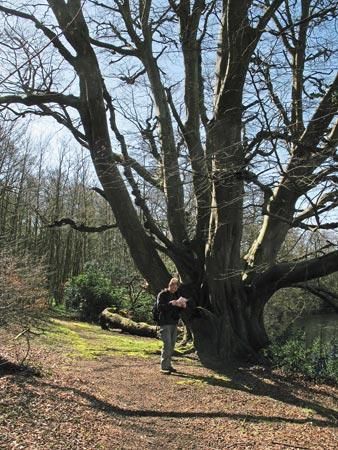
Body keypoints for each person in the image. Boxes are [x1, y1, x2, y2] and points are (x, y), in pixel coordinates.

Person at [157, 277, 187, 374]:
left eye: (176, 288)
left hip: (174, 322)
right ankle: (164, 367)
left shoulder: (176, 295)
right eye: (173, 288)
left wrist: (181, 306)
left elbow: (177, 310)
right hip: (165, 322)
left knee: (172, 345)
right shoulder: (162, 294)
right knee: (167, 344)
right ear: (169, 285)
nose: (174, 290)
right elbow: (160, 307)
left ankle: (168, 364)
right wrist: (171, 304)